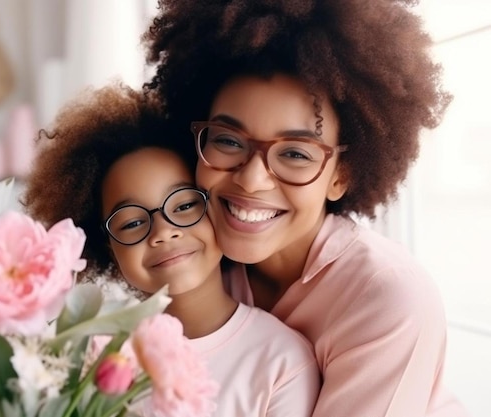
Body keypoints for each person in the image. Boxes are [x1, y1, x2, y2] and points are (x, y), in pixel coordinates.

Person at [141, 1, 469, 416]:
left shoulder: (387, 298)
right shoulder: (198, 262)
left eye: (295, 154)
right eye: (227, 140)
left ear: (341, 175)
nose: (251, 179)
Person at [23, 83, 320, 416]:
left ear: (219, 207)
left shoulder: (281, 360)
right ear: (108, 247)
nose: (164, 232)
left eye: (184, 206)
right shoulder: (90, 357)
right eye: (132, 223)